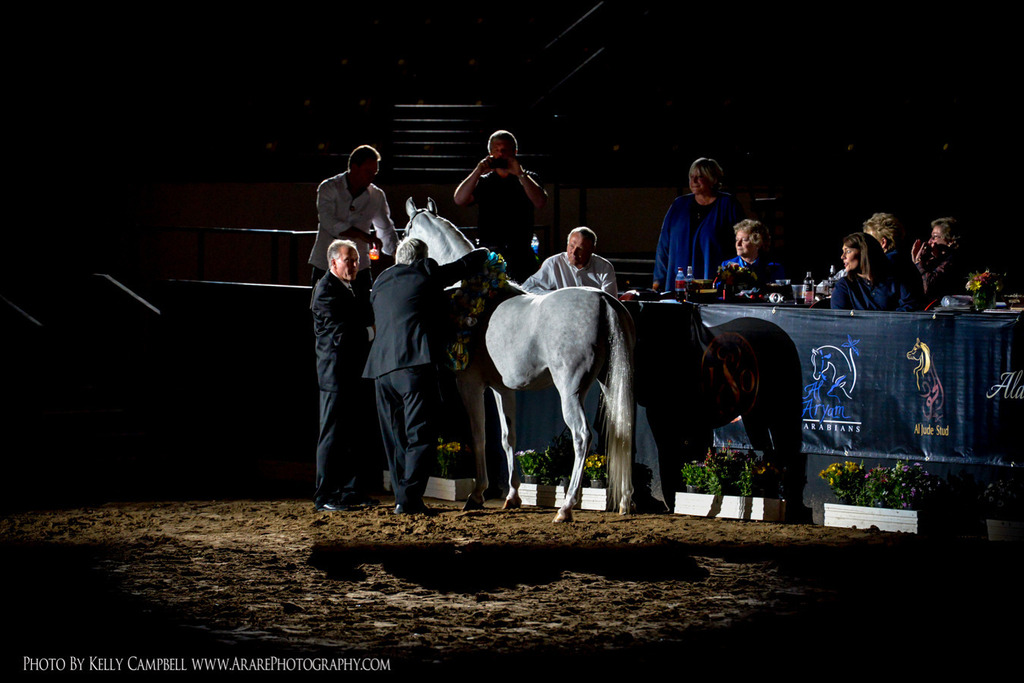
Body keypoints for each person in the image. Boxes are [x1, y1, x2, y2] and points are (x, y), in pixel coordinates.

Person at [362, 238, 489, 514]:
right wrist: (483, 252)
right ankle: (408, 500)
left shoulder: (381, 281)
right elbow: (461, 267)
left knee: (395, 439)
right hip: (413, 365)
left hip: (381, 370)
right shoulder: (424, 271)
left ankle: (402, 498)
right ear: (421, 258)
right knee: (421, 435)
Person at [311, 239, 378, 511]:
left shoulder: (348, 288)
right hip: (336, 377)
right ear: (333, 263)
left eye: (356, 260)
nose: (354, 264)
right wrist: (372, 332)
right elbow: (341, 335)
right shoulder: (326, 289)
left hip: (351, 374)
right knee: (333, 436)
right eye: (348, 260)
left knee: (354, 435)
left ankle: (351, 492)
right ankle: (325, 496)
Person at [453, 130, 547, 283]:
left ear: (514, 152)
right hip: (491, 252)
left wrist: (520, 174)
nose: (501, 154)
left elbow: (540, 202)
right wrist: (478, 171)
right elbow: (459, 199)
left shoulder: (529, 178)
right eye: (496, 150)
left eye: (505, 150)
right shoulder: (484, 181)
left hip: (521, 253)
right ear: (490, 153)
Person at [309, 145, 398, 287]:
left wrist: (397, 253)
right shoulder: (329, 188)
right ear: (354, 168)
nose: (372, 177)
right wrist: (365, 236)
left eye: (374, 173)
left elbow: (385, 229)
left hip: (359, 267)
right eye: (368, 172)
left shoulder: (376, 195)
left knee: (361, 307)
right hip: (326, 264)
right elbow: (329, 222)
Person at [653, 157, 745, 291]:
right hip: (678, 285)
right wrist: (658, 281)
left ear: (712, 179)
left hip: (714, 285)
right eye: (691, 177)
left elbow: (740, 245)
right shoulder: (679, 205)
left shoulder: (728, 205)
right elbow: (663, 246)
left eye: (700, 176)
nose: (694, 181)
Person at [831, 232, 917, 311]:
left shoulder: (895, 281)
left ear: (864, 253)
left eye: (848, 251)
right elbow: (840, 321)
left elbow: (909, 308)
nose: (842, 256)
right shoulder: (844, 286)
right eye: (843, 252)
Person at [521, 226, 618, 296]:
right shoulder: (553, 263)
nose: (573, 252)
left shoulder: (604, 267)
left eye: (580, 248)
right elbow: (527, 288)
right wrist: (556, 296)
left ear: (591, 250)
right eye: (571, 246)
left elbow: (610, 300)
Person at [862, 212, 921, 299]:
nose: (863, 246)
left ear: (883, 242)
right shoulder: (903, 261)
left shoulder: (885, 266)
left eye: (868, 241)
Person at [911, 217, 967, 304]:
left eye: (935, 237)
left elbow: (928, 288)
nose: (930, 241)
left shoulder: (952, 261)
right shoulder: (935, 260)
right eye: (931, 237)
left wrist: (919, 262)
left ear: (950, 241)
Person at [718, 219, 785, 286]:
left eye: (744, 240)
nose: (738, 244)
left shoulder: (773, 268)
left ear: (758, 243)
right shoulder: (726, 266)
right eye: (737, 240)